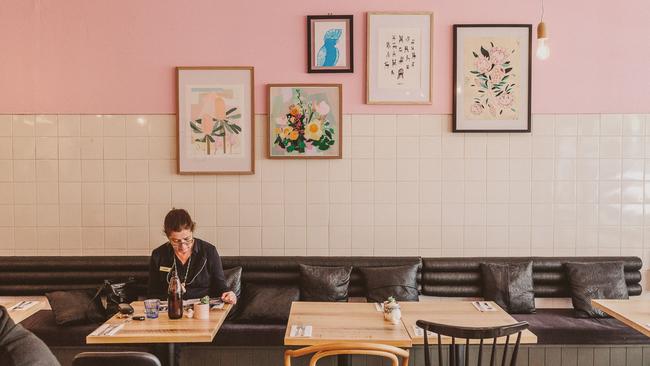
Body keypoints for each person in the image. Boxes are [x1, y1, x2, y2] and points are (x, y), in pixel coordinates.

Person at [147, 208, 237, 304]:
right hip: (171, 309)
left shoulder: (208, 251)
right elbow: (152, 293)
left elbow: (220, 286)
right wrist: (172, 293)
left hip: (203, 308)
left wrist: (228, 294)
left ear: (192, 231)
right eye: (176, 241)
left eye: (187, 239)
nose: (183, 246)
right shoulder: (159, 255)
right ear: (168, 237)